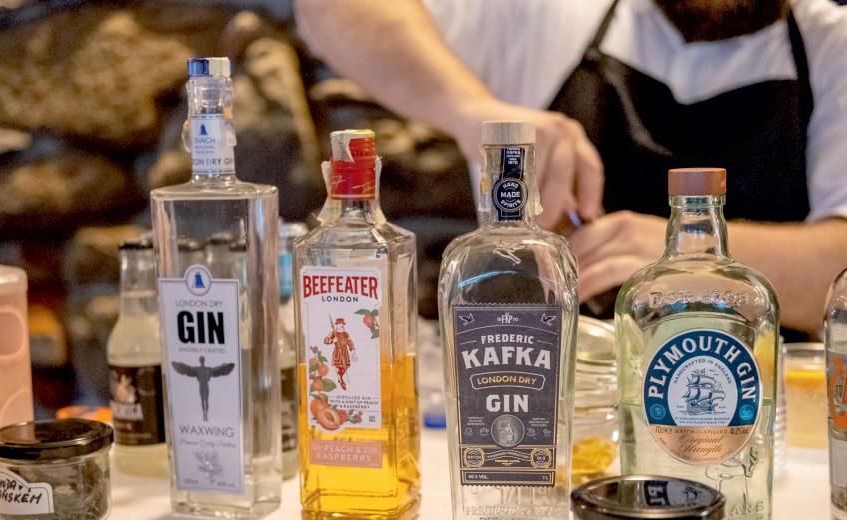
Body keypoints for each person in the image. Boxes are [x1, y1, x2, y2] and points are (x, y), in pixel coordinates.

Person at [295, 0, 847, 333]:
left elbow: (837, 268)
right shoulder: (554, 15)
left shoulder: (832, 47)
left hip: (759, 416)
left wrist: (684, 260)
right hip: (555, 398)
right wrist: (472, 111)